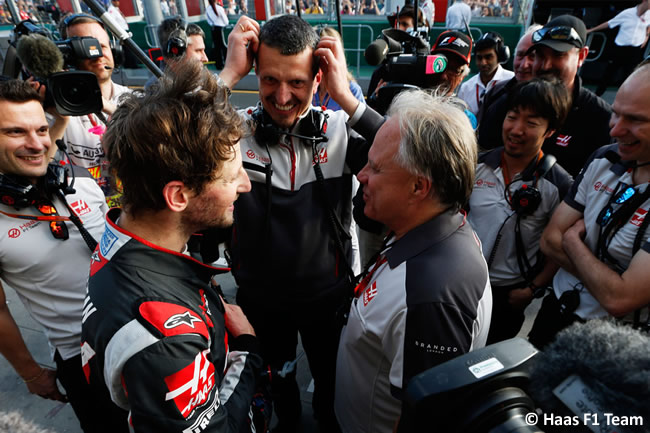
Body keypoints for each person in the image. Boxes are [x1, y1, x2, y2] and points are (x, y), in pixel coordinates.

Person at [216, 14, 381, 433]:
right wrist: (228, 74)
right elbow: (167, 144)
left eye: (298, 82)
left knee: (330, 381)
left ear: (318, 76)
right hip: (261, 300)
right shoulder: (235, 132)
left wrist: (346, 97)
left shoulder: (340, 128)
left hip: (329, 297)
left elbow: (413, 156)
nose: (283, 96)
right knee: (279, 380)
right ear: (255, 70)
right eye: (270, 80)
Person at [80, 60, 261, 432]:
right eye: (231, 176)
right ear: (178, 195)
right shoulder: (165, 340)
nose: (245, 185)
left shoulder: (122, 235)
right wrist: (247, 348)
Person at [331, 88, 492, 433]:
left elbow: (427, 418)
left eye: (375, 168)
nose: (361, 176)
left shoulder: (431, 296)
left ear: (418, 188)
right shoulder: (428, 229)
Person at [0, 79, 128, 432]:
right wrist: (30, 373)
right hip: (83, 361)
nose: (37, 143)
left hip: (144, 332)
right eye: (15, 131)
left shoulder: (79, 178)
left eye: (42, 129)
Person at [528, 60, 650, 349]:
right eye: (616, 114)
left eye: (634, 119)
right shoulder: (604, 159)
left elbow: (620, 300)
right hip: (555, 314)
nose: (615, 129)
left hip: (616, 344)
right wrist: (606, 278)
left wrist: (572, 242)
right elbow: (549, 241)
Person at [468, 78, 573, 344]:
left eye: (531, 122)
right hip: (463, 284)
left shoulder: (559, 185)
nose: (516, 129)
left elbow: (560, 247)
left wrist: (532, 289)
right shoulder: (474, 165)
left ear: (550, 131)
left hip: (510, 297)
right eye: (512, 117)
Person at [479, 15, 613, 177]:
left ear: (582, 56)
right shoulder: (506, 102)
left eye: (558, 55)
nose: (546, 65)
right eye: (540, 56)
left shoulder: (600, 118)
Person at [57, 13, 131, 204]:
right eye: (87, 46)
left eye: (102, 45)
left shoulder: (133, 99)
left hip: (132, 207)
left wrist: (105, 106)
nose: (96, 53)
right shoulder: (58, 107)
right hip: (84, 212)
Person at [477, 24, 541, 128]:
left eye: (532, 57)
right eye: (520, 55)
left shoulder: (555, 101)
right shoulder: (495, 93)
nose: (524, 65)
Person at [588, 0, 650, 96]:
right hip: (620, 47)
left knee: (630, 75)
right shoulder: (627, 13)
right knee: (610, 73)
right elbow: (610, 23)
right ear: (644, 1)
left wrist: (646, 37)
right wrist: (591, 30)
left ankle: (626, 98)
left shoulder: (649, 15)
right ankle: (597, 95)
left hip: (634, 49)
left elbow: (648, 27)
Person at [457, 31, 514, 116]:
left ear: (500, 56)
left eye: (488, 57)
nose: (483, 63)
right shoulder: (466, 88)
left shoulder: (512, 80)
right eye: (479, 58)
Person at [144, 17, 209, 88]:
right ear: (176, 52)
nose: (205, 59)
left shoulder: (194, 79)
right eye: (198, 51)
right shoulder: (157, 90)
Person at [206, 0, 228, 69]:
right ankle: (226, 62)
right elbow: (226, 21)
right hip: (220, 28)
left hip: (213, 28)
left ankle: (219, 65)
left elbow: (208, 21)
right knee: (223, 45)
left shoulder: (207, 9)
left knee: (216, 47)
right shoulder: (219, 8)